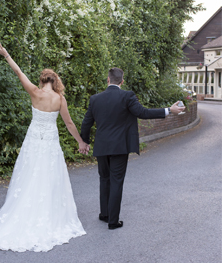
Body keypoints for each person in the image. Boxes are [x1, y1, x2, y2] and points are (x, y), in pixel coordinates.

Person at [0, 44, 87, 252]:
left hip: (33, 141)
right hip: (50, 142)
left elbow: (18, 71)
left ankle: (23, 211)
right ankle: (48, 214)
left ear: (42, 80)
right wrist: (80, 142)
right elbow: (69, 124)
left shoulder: (34, 91)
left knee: (30, 174)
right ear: (55, 81)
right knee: (50, 176)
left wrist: (6, 54)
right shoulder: (60, 99)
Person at [79, 67, 184, 230]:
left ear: (108, 80)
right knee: (116, 182)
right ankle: (113, 221)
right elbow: (143, 113)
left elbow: (86, 123)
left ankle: (104, 214)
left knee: (104, 179)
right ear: (122, 81)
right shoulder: (127, 96)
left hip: (102, 147)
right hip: (120, 147)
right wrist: (169, 110)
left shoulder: (95, 99)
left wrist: (84, 141)